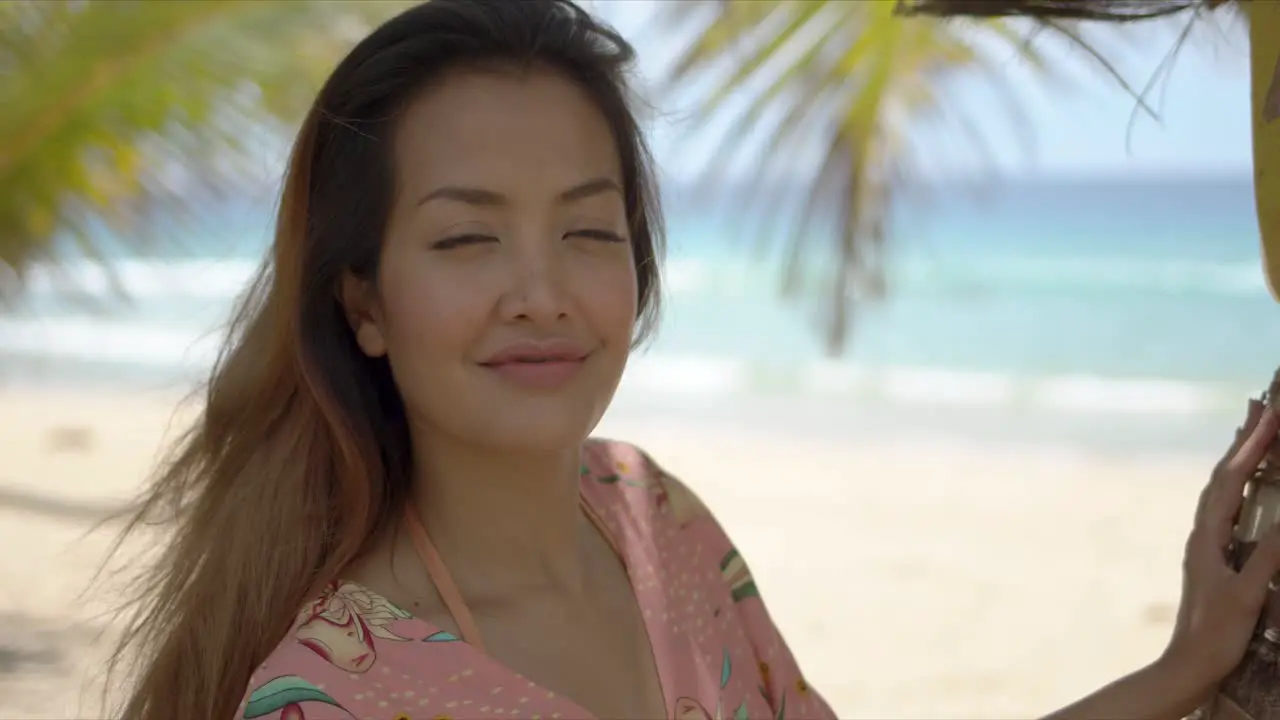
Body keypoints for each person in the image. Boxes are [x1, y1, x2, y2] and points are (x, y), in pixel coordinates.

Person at [102, 1, 1280, 719]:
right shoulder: (336, 696)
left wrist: (1180, 669)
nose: (541, 293)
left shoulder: (652, 520)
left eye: (587, 231)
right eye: (466, 238)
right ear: (362, 303)